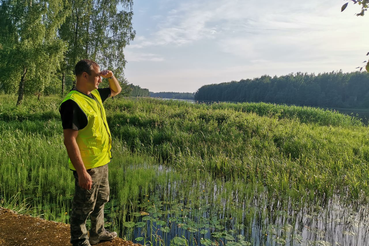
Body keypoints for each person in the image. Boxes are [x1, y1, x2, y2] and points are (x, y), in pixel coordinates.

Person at [59, 59, 122, 246]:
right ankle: (79, 240)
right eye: (97, 75)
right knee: (83, 207)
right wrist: (81, 172)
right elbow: (69, 140)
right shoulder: (72, 103)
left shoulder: (94, 95)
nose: (100, 80)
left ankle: (97, 233)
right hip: (88, 166)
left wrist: (111, 76)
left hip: (102, 161)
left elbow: (116, 90)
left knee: (101, 199)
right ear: (84, 75)